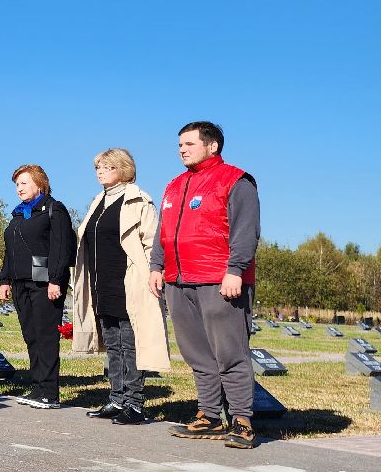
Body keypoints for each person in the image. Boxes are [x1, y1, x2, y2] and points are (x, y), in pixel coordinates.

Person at [150, 121, 260, 450]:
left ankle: (242, 421)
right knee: (196, 353)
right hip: (178, 280)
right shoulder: (174, 185)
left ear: (212, 146)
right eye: (179, 145)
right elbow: (163, 231)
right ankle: (209, 416)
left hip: (220, 280)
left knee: (230, 352)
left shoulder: (236, 180)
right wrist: (157, 266)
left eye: (189, 144)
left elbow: (246, 230)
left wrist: (235, 270)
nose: (182, 150)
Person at [72, 148, 168, 426]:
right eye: (98, 168)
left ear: (123, 169)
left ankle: (135, 404)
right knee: (113, 344)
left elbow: (152, 243)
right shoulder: (97, 202)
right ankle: (116, 398)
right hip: (101, 283)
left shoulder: (139, 200)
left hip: (129, 282)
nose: (100, 172)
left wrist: (154, 272)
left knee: (131, 344)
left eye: (107, 167)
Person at [0, 165, 76, 410]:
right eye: (16, 184)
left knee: (45, 336)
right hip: (20, 282)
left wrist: (55, 279)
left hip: (44, 283)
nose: (19, 188)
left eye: (24, 183)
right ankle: (38, 387)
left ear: (39, 184)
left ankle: (50, 392)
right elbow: (10, 251)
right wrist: (4, 279)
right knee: (31, 336)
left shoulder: (54, 209)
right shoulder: (18, 214)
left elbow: (61, 247)